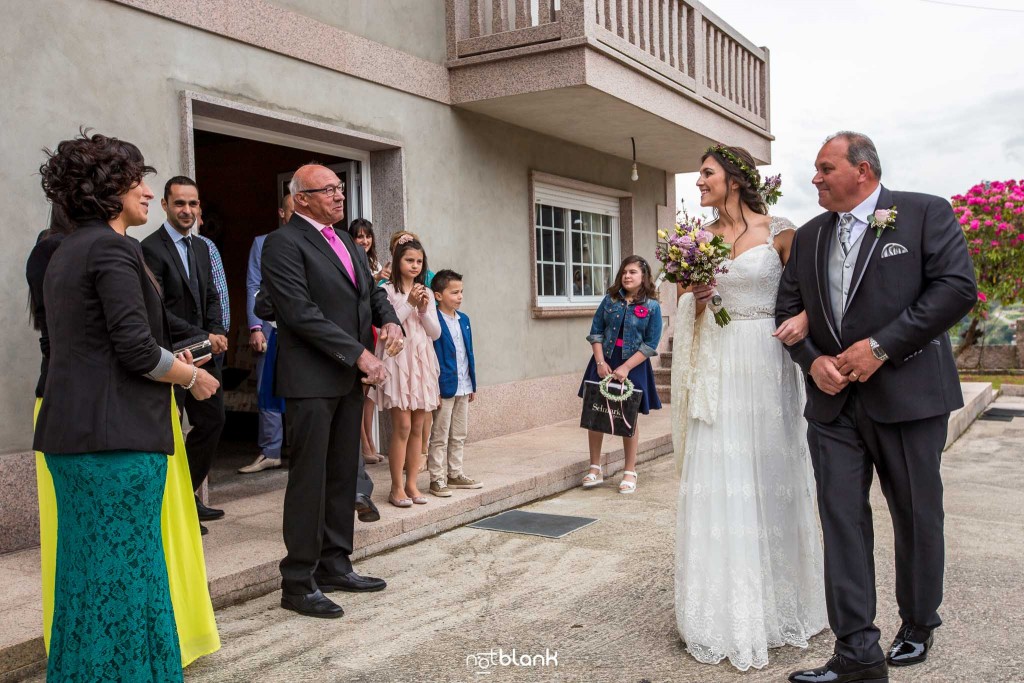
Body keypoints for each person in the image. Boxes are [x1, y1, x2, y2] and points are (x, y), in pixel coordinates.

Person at [777, 132, 976, 683]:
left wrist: (882, 347)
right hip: (833, 405)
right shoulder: (812, 235)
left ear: (862, 170)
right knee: (840, 520)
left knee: (915, 515)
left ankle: (916, 623)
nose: (814, 178)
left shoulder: (922, 213)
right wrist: (811, 359)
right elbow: (788, 307)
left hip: (909, 398)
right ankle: (857, 652)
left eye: (824, 167)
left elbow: (956, 290)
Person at [34, 130, 220, 681]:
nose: (147, 191)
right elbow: (136, 348)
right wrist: (193, 379)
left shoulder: (63, 251)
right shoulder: (114, 247)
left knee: (85, 580)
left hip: (73, 439)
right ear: (111, 189)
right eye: (139, 180)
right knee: (126, 579)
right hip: (115, 446)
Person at [671, 144, 826, 671]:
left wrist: (802, 320)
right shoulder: (698, 240)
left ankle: (782, 603)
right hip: (718, 360)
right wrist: (694, 295)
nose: (699, 184)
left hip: (768, 361)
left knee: (770, 468)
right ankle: (722, 612)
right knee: (723, 471)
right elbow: (692, 308)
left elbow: (810, 295)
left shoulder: (780, 230)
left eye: (706, 174)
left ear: (734, 180)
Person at [258, 163, 402, 618]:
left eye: (341, 189)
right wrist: (360, 355)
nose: (340, 197)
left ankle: (335, 563)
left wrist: (390, 319)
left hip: (347, 380)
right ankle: (298, 582)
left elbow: (370, 292)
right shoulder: (283, 244)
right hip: (311, 380)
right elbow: (299, 312)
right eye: (329, 190)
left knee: (343, 475)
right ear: (300, 198)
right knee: (310, 481)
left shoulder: (345, 241)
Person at [141, 176, 229, 526]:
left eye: (193, 204)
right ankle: (172, 511)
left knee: (213, 421)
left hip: (205, 353)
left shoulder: (202, 248)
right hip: (170, 356)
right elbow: (160, 310)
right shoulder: (150, 248)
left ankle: (188, 495)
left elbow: (210, 296)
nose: (187, 210)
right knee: (172, 430)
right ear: (165, 205)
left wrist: (217, 333)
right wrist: (202, 332)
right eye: (179, 203)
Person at [578, 255, 663, 494]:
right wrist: (600, 362)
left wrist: (626, 367)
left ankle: (629, 471)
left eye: (633, 272)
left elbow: (650, 343)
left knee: (628, 417)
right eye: (625, 272)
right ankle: (595, 468)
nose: (627, 276)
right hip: (604, 362)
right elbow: (596, 332)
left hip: (633, 365)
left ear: (643, 277)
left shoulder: (652, 307)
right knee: (595, 413)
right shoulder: (610, 300)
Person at [369, 235, 441, 506]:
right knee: (402, 425)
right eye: (409, 260)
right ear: (397, 260)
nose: (414, 265)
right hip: (398, 359)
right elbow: (391, 323)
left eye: (419, 261)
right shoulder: (386, 290)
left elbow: (435, 333)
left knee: (419, 426)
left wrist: (423, 309)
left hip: (421, 358)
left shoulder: (426, 291)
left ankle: (412, 484)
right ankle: (396, 487)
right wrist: (410, 303)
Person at [239, 194, 293, 474]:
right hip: (271, 329)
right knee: (267, 388)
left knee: (302, 389)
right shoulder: (263, 242)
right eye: (291, 212)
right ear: (281, 213)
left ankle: (301, 450)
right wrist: (255, 327)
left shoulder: (315, 243)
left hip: (302, 330)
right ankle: (270, 450)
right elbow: (253, 285)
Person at [427, 270, 482, 497]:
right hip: (445, 386)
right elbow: (432, 356)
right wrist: (435, 388)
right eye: (454, 292)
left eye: (461, 292)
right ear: (438, 295)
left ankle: (455, 473)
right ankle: (436, 479)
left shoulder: (464, 319)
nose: (460, 296)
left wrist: (472, 384)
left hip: (464, 384)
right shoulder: (434, 320)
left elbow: (468, 353)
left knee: (459, 433)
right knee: (440, 434)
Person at [347, 217, 385, 464]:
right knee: (359, 394)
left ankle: (370, 442)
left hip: (375, 330)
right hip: (360, 330)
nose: (364, 240)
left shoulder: (376, 262)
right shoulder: (350, 261)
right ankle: (363, 446)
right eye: (359, 236)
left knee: (370, 395)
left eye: (367, 236)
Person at [195, 207, 231, 364]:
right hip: (203, 337)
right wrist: (221, 332)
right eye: (200, 217)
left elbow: (217, 293)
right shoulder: (206, 245)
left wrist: (220, 332)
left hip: (215, 334)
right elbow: (220, 292)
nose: (202, 222)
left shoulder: (207, 246)